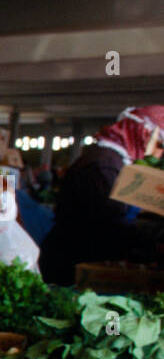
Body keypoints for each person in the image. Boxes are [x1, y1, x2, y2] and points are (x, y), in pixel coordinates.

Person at [38, 106, 164, 284]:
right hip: (73, 261)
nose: (159, 155)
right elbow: (107, 224)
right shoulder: (104, 166)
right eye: (160, 145)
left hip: (77, 253)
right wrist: (152, 241)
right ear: (142, 135)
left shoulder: (113, 161)